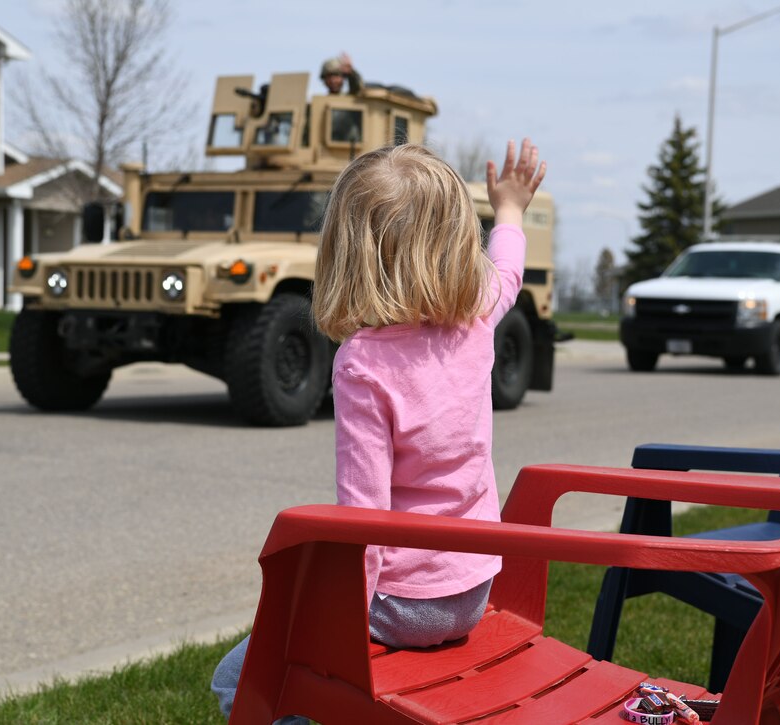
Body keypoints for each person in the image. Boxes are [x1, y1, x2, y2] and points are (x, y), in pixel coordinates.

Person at [210, 139, 546, 723]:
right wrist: (510, 210)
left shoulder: (364, 364)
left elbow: (362, 522)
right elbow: (508, 273)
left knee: (236, 678)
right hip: (470, 593)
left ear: (349, 251)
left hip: (400, 605)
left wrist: (339, 629)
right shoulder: (476, 320)